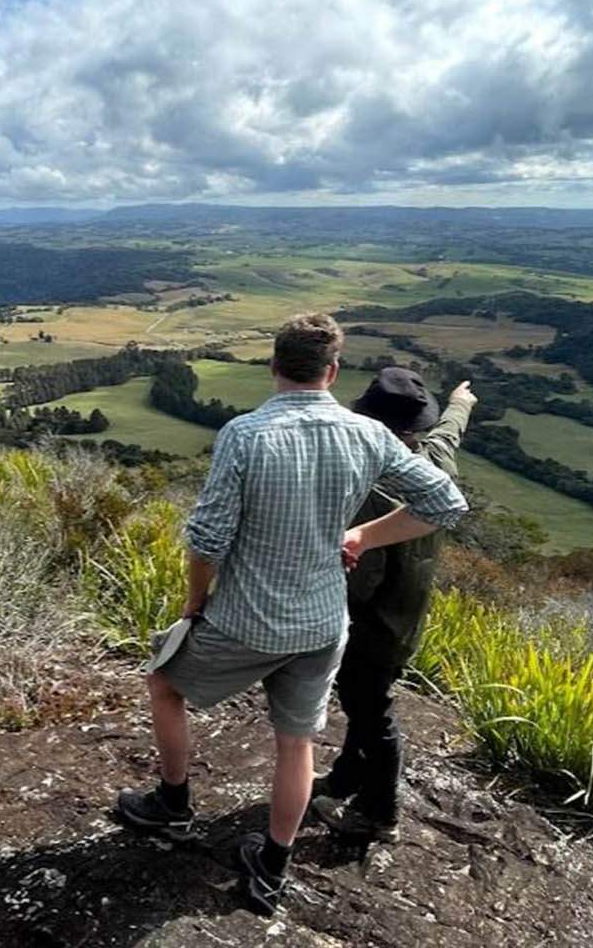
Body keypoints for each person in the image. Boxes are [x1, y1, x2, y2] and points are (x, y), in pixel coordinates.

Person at [113, 315, 469, 915]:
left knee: (164, 685)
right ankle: (273, 864)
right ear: (331, 372)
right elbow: (445, 502)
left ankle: (172, 807)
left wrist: (195, 602)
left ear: (274, 366)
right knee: (296, 742)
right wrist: (364, 536)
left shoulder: (246, 434)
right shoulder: (368, 435)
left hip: (249, 616)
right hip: (325, 624)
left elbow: (207, 539)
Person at [310, 368, 477, 842]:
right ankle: (344, 780)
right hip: (407, 617)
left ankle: (379, 814)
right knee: (366, 705)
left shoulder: (376, 485)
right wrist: (460, 400)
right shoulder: (431, 461)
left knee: (370, 711)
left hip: (371, 624)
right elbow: (450, 430)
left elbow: (364, 578)